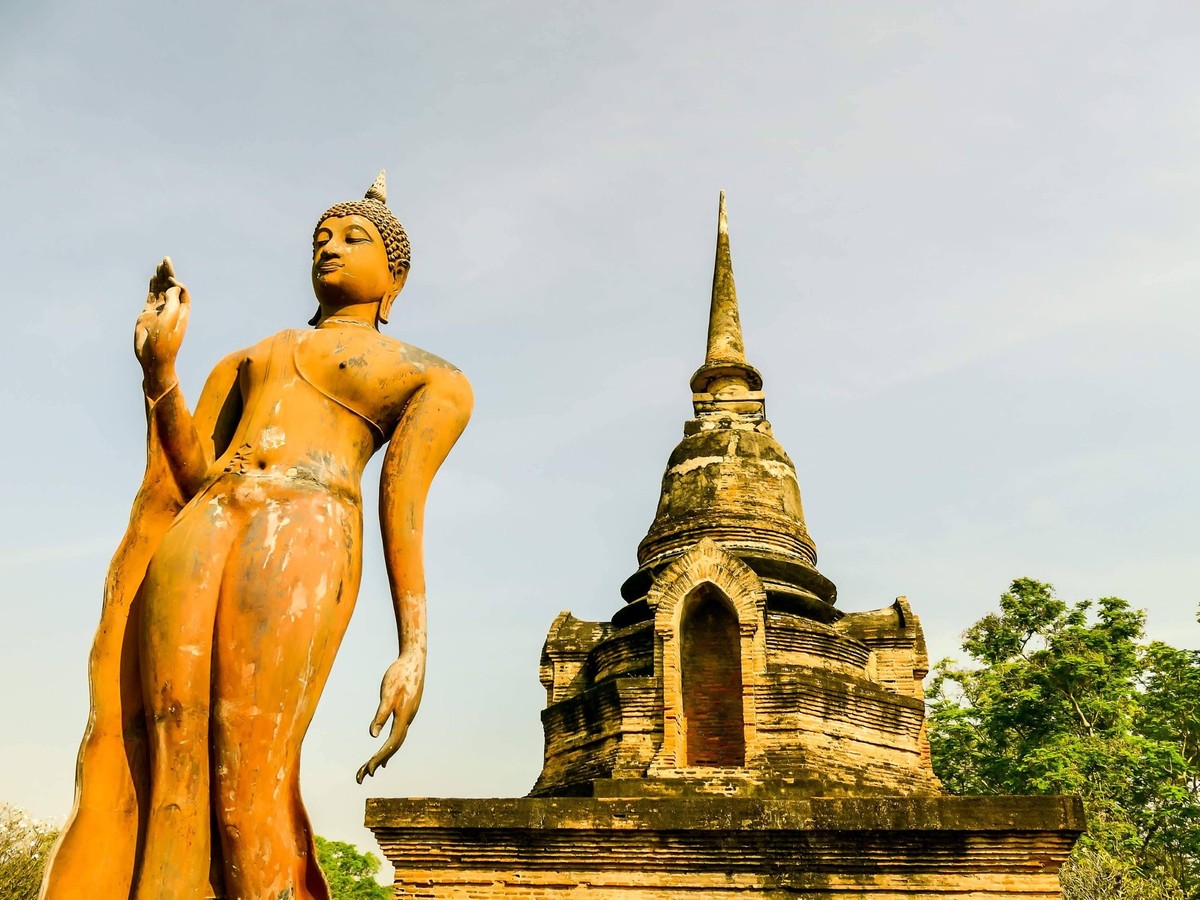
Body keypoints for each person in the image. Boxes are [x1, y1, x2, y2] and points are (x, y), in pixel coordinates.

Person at [41, 172, 472, 900]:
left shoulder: (432, 379)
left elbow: (402, 508)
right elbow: (189, 474)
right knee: (170, 767)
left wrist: (414, 648)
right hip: (202, 528)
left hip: (304, 529)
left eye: (354, 239)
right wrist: (159, 370)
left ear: (393, 277)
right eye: (321, 238)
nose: (330, 248)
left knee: (249, 774)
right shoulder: (250, 358)